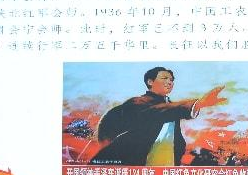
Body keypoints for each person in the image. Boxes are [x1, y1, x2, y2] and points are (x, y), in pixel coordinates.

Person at [91, 66, 226, 166]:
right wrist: (198, 104)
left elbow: (172, 131)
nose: (170, 82)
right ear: (150, 82)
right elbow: (156, 112)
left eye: (171, 80)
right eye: (164, 78)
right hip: (136, 163)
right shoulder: (138, 102)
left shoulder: (170, 106)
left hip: (166, 163)